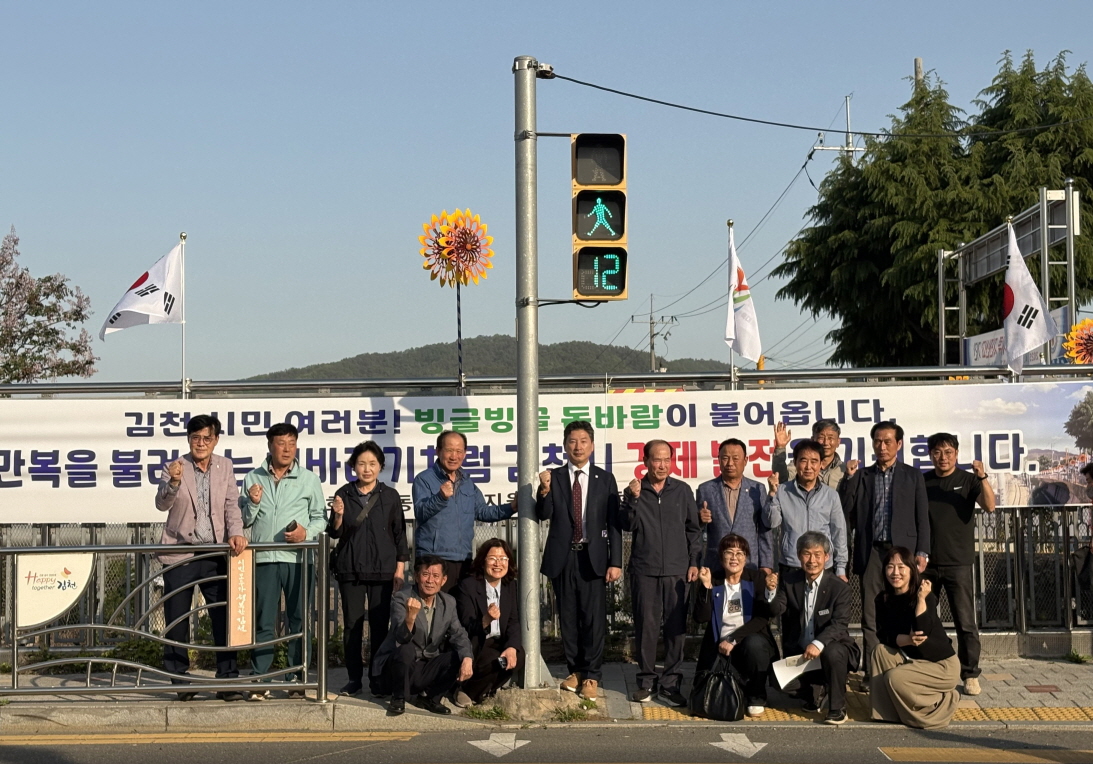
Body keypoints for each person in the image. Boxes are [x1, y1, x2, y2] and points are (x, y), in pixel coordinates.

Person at [155, 414, 248, 702]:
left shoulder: (225, 466)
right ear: (188, 439)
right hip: (180, 553)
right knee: (177, 620)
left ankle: (228, 680)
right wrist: (173, 481)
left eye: (207, 438)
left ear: (216, 440)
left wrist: (237, 533)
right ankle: (181, 682)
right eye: (195, 438)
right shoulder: (174, 467)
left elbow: (231, 505)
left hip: (215, 553)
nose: (201, 443)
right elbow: (161, 504)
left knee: (223, 618)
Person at [536, 420, 621, 703]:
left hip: (592, 557)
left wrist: (615, 561)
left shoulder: (604, 479)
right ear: (564, 445)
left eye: (583, 441)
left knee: (593, 620)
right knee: (568, 618)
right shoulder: (555, 477)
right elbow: (543, 514)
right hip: (563, 557)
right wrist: (544, 490)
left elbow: (614, 523)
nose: (578, 446)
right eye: (572, 441)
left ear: (592, 445)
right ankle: (575, 671)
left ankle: (593, 675)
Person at [240, 422, 326, 700]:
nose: (287, 449)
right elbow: (244, 520)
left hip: (298, 559)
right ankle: (260, 679)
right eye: (281, 443)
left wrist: (305, 533)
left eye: (292, 443)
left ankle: (297, 677)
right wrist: (253, 502)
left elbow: (320, 518)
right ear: (270, 446)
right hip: (264, 558)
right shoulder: (253, 478)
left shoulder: (309, 479)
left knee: (299, 620)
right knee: (263, 621)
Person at [842, 421, 930, 680]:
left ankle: (906, 670)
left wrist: (922, 551)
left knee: (905, 611)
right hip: (872, 552)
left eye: (887, 441)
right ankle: (873, 674)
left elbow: (922, 517)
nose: (882, 446)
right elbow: (846, 508)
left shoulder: (913, 476)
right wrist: (849, 478)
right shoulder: (862, 476)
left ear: (899, 444)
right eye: (877, 441)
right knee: (870, 616)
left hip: (902, 553)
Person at [620, 439, 703, 706]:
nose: (663, 465)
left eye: (667, 459)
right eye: (657, 459)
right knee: (646, 627)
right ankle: (646, 681)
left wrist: (693, 561)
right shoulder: (635, 491)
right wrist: (632, 499)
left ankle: (670, 683)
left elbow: (693, 530)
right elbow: (627, 525)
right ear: (645, 461)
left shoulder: (682, 490)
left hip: (678, 571)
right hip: (645, 569)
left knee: (676, 629)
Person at [328, 440, 410, 698]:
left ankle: (377, 678)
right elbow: (335, 532)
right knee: (352, 625)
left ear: (381, 467)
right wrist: (338, 515)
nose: (367, 469)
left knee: (379, 627)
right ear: (353, 466)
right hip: (350, 569)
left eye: (372, 464)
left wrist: (399, 570)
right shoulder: (344, 493)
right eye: (361, 463)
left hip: (383, 571)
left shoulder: (390, 496)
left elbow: (399, 535)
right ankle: (354, 679)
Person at [924, 432, 995, 697]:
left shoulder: (968, 480)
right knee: (923, 619)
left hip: (958, 563)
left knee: (965, 622)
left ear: (956, 454)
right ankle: (930, 668)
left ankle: (970, 674)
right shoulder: (923, 481)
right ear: (930, 454)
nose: (942, 457)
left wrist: (982, 477)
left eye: (948, 452)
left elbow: (990, 506)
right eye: (937, 452)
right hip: (927, 563)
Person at [769, 531, 859, 725]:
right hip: (801, 654)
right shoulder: (789, 581)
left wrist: (818, 643)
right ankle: (818, 691)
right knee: (776, 680)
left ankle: (837, 708)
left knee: (834, 651)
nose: (812, 560)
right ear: (799, 556)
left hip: (830, 651)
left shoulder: (839, 588)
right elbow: (777, 609)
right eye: (807, 554)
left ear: (826, 557)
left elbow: (839, 623)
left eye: (817, 554)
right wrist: (770, 592)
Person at [412, 430, 516, 591]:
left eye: (459, 451)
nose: (454, 456)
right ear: (438, 451)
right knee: (434, 606)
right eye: (449, 450)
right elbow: (420, 512)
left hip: (464, 560)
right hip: (433, 560)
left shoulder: (467, 482)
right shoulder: (424, 479)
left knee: (461, 605)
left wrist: (512, 507)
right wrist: (440, 497)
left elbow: (483, 512)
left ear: (465, 453)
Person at [870, 546, 960, 729]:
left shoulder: (925, 596)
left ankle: (944, 700)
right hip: (915, 663)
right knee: (879, 652)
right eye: (890, 567)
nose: (895, 573)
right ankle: (887, 713)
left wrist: (921, 599)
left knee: (894, 678)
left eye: (901, 567)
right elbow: (883, 635)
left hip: (941, 666)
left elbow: (922, 632)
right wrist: (908, 640)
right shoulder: (883, 599)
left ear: (912, 570)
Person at [372, 555, 474, 716]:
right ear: (416, 577)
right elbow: (400, 637)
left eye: (436, 576)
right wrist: (410, 618)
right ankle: (398, 698)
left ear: (443, 580)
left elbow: (459, 634)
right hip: (396, 670)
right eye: (425, 574)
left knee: (457, 656)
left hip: (423, 666)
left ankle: (431, 699)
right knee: (406, 649)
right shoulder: (402, 598)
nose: (430, 580)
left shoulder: (449, 602)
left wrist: (467, 657)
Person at [694, 534, 779, 717]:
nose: (734, 558)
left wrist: (734, 639)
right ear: (721, 557)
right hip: (719, 646)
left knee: (754, 644)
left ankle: (757, 696)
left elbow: (763, 617)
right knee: (713, 692)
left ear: (746, 558)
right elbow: (701, 617)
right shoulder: (714, 578)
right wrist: (706, 587)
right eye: (729, 552)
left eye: (740, 553)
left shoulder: (756, 578)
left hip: (747, 641)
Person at [761, 439, 848, 581]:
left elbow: (839, 533)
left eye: (814, 461)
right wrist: (772, 494)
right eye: (803, 461)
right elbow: (771, 522)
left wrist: (840, 569)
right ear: (795, 463)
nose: (808, 467)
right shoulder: (782, 491)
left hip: (823, 566)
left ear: (821, 464)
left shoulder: (831, 495)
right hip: (791, 564)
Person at [453, 538, 523, 706]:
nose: (498, 563)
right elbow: (466, 625)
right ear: (483, 560)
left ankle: (486, 689)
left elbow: (513, 621)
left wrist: (512, 647)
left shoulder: (510, 586)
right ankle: (465, 690)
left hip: (500, 640)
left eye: (503, 559)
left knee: (518, 657)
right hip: (478, 640)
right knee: (494, 660)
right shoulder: (468, 586)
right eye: (492, 558)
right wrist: (486, 619)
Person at [696, 438, 773, 573]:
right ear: (719, 460)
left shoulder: (757, 489)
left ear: (745, 460)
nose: (730, 463)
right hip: (716, 563)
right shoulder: (706, 489)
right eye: (725, 458)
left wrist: (766, 565)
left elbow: (764, 529)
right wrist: (700, 520)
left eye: (735, 458)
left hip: (749, 564)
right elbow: (696, 530)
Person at [771, 420, 848, 491]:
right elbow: (781, 478)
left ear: (838, 442)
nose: (826, 443)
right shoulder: (801, 464)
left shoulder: (845, 470)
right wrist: (780, 448)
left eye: (830, 438)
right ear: (812, 439)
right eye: (821, 438)